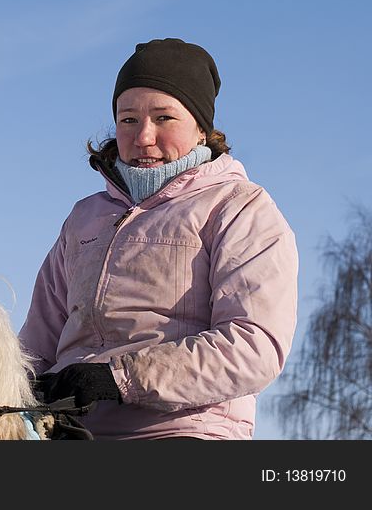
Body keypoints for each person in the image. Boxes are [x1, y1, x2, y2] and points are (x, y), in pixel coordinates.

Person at [19, 38, 298, 440]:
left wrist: (118, 379)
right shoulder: (85, 217)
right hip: (68, 433)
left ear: (202, 128)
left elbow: (254, 346)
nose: (144, 136)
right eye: (128, 119)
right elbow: (36, 344)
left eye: (164, 118)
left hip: (183, 432)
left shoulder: (239, 207)